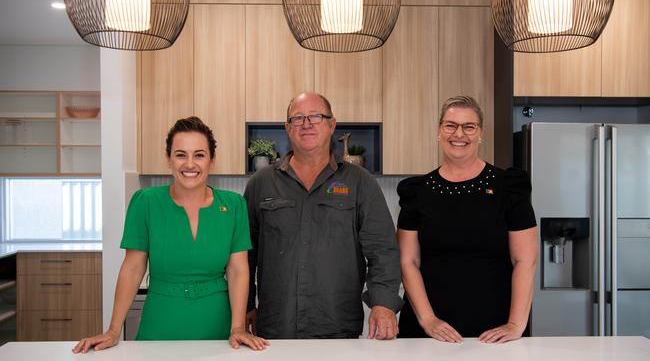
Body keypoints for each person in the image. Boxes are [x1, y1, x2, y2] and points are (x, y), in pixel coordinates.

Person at [73, 117, 268, 353]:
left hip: (218, 330)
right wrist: (113, 330)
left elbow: (238, 269)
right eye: (180, 154)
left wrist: (237, 327)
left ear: (211, 160)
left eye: (199, 155)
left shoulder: (234, 205)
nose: (190, 164)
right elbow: (133, 268)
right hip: (160, 325)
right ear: (169, 159)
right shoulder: (146, 202)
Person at [244, 92, 402, 339]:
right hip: (275, 328)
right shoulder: (261, 183)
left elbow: (382, 250)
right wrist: (246, 305)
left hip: (337, 325)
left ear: (332, 124)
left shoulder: (360, 182)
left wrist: (383, 304)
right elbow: (245, 254)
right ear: (287, 128)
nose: (306, 124)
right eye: (298, 118)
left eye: (316, 116)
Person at [396, 96, 538, 343]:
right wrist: (428, 320)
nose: (458, 133)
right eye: (450, 125)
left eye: (468, 126)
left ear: (480, 133)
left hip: (494, 329)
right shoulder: (416, 191)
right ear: (439, 131)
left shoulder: (508, 186)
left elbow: (525, 260)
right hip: (428, 330)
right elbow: (408, 261)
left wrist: (515, 324)